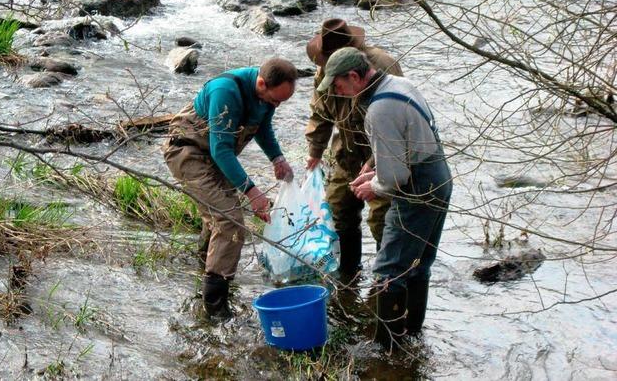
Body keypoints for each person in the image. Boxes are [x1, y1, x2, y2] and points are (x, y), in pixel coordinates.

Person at [317, 47, 452, 349]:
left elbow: (395, 178)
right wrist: (371, 168)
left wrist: (372, 187)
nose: (339, 93)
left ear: (354, 76)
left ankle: (386, 349)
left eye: (339, 86)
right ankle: (412, 334)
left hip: (417, 191)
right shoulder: (398, 84)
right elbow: (405, 143)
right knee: (418, 263)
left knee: (388, 271)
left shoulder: (379, 109)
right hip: (439, 179)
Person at [163, 58, 297, 319]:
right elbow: (221, 149)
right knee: (230, 221)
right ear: (261, 83)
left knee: (220, 214)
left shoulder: (266, 96)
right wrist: (252, 191)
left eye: (282, 102)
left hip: (214, 153)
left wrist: (277, 158)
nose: (276, 106)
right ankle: (214, 307)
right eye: (275, 100)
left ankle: (205, 269)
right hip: (187, 151)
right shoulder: (225, 91)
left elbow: (263, 127)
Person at [305, 18, 403, 275]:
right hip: (346, 153)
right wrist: (315, 152)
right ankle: (349, 273)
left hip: (382, 154)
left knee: (382, 218)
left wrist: (376, 164)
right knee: (339, 209)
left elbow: (397, 121)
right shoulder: (324, 72)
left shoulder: (382, 66)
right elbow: (320, 114)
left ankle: (390, 276)